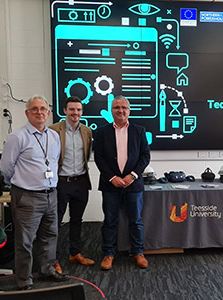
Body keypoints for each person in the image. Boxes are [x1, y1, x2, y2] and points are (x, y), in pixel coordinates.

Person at [0, 95, 70, 290]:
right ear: (27, 113)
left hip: (51, 194)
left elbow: (54, 162)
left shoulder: (54, 136)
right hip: (27, 196)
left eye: (43, 109)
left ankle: (47, 269)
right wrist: (19, 183)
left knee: (50, 235)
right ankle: (24, 279)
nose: (39, 112)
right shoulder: (17, 137)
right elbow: (6, 167)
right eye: (35, 109)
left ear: (48, 113)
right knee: (25, 240)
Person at [94, 95, 150, 270]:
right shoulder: (102, 132)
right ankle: (109, 253)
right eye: (117, 107)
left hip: (133, 184)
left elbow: (145, 156)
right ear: (112, 111)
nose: (120, 110)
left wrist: (132, 176)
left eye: (124, 107)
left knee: (136, 220)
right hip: (110, 184)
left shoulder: (139, 131)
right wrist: (113, 178)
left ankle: (138, 252)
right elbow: (99, 158)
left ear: (129, 110)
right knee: (110, 220)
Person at [49, 96, 94, 273]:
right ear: (65, 111)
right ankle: (54, 259)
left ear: (82, 112)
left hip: (81, 182)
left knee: (77, 220)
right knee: (56, 222)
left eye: (78, 110)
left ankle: (75, 253)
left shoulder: (87, 131)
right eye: (72, 109)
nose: (75, 113)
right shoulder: (53, 130)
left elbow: (87, 155)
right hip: (61, 182)